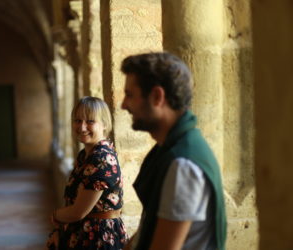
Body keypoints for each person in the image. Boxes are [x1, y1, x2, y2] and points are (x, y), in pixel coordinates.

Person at [120, 52, 227, 250]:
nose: (123, 105)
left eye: (130, 95)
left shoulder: (182, 164)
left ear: (157, 97)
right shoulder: (171, 149)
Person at [47, 96, 128, 249]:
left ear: (104, 124)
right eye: (77, 120)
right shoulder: (85, 155)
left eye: (90, 121)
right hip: (83, 233)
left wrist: (55, 216)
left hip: (99, 238)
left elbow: (78, 212)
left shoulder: (101, 158)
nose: (82, 127)